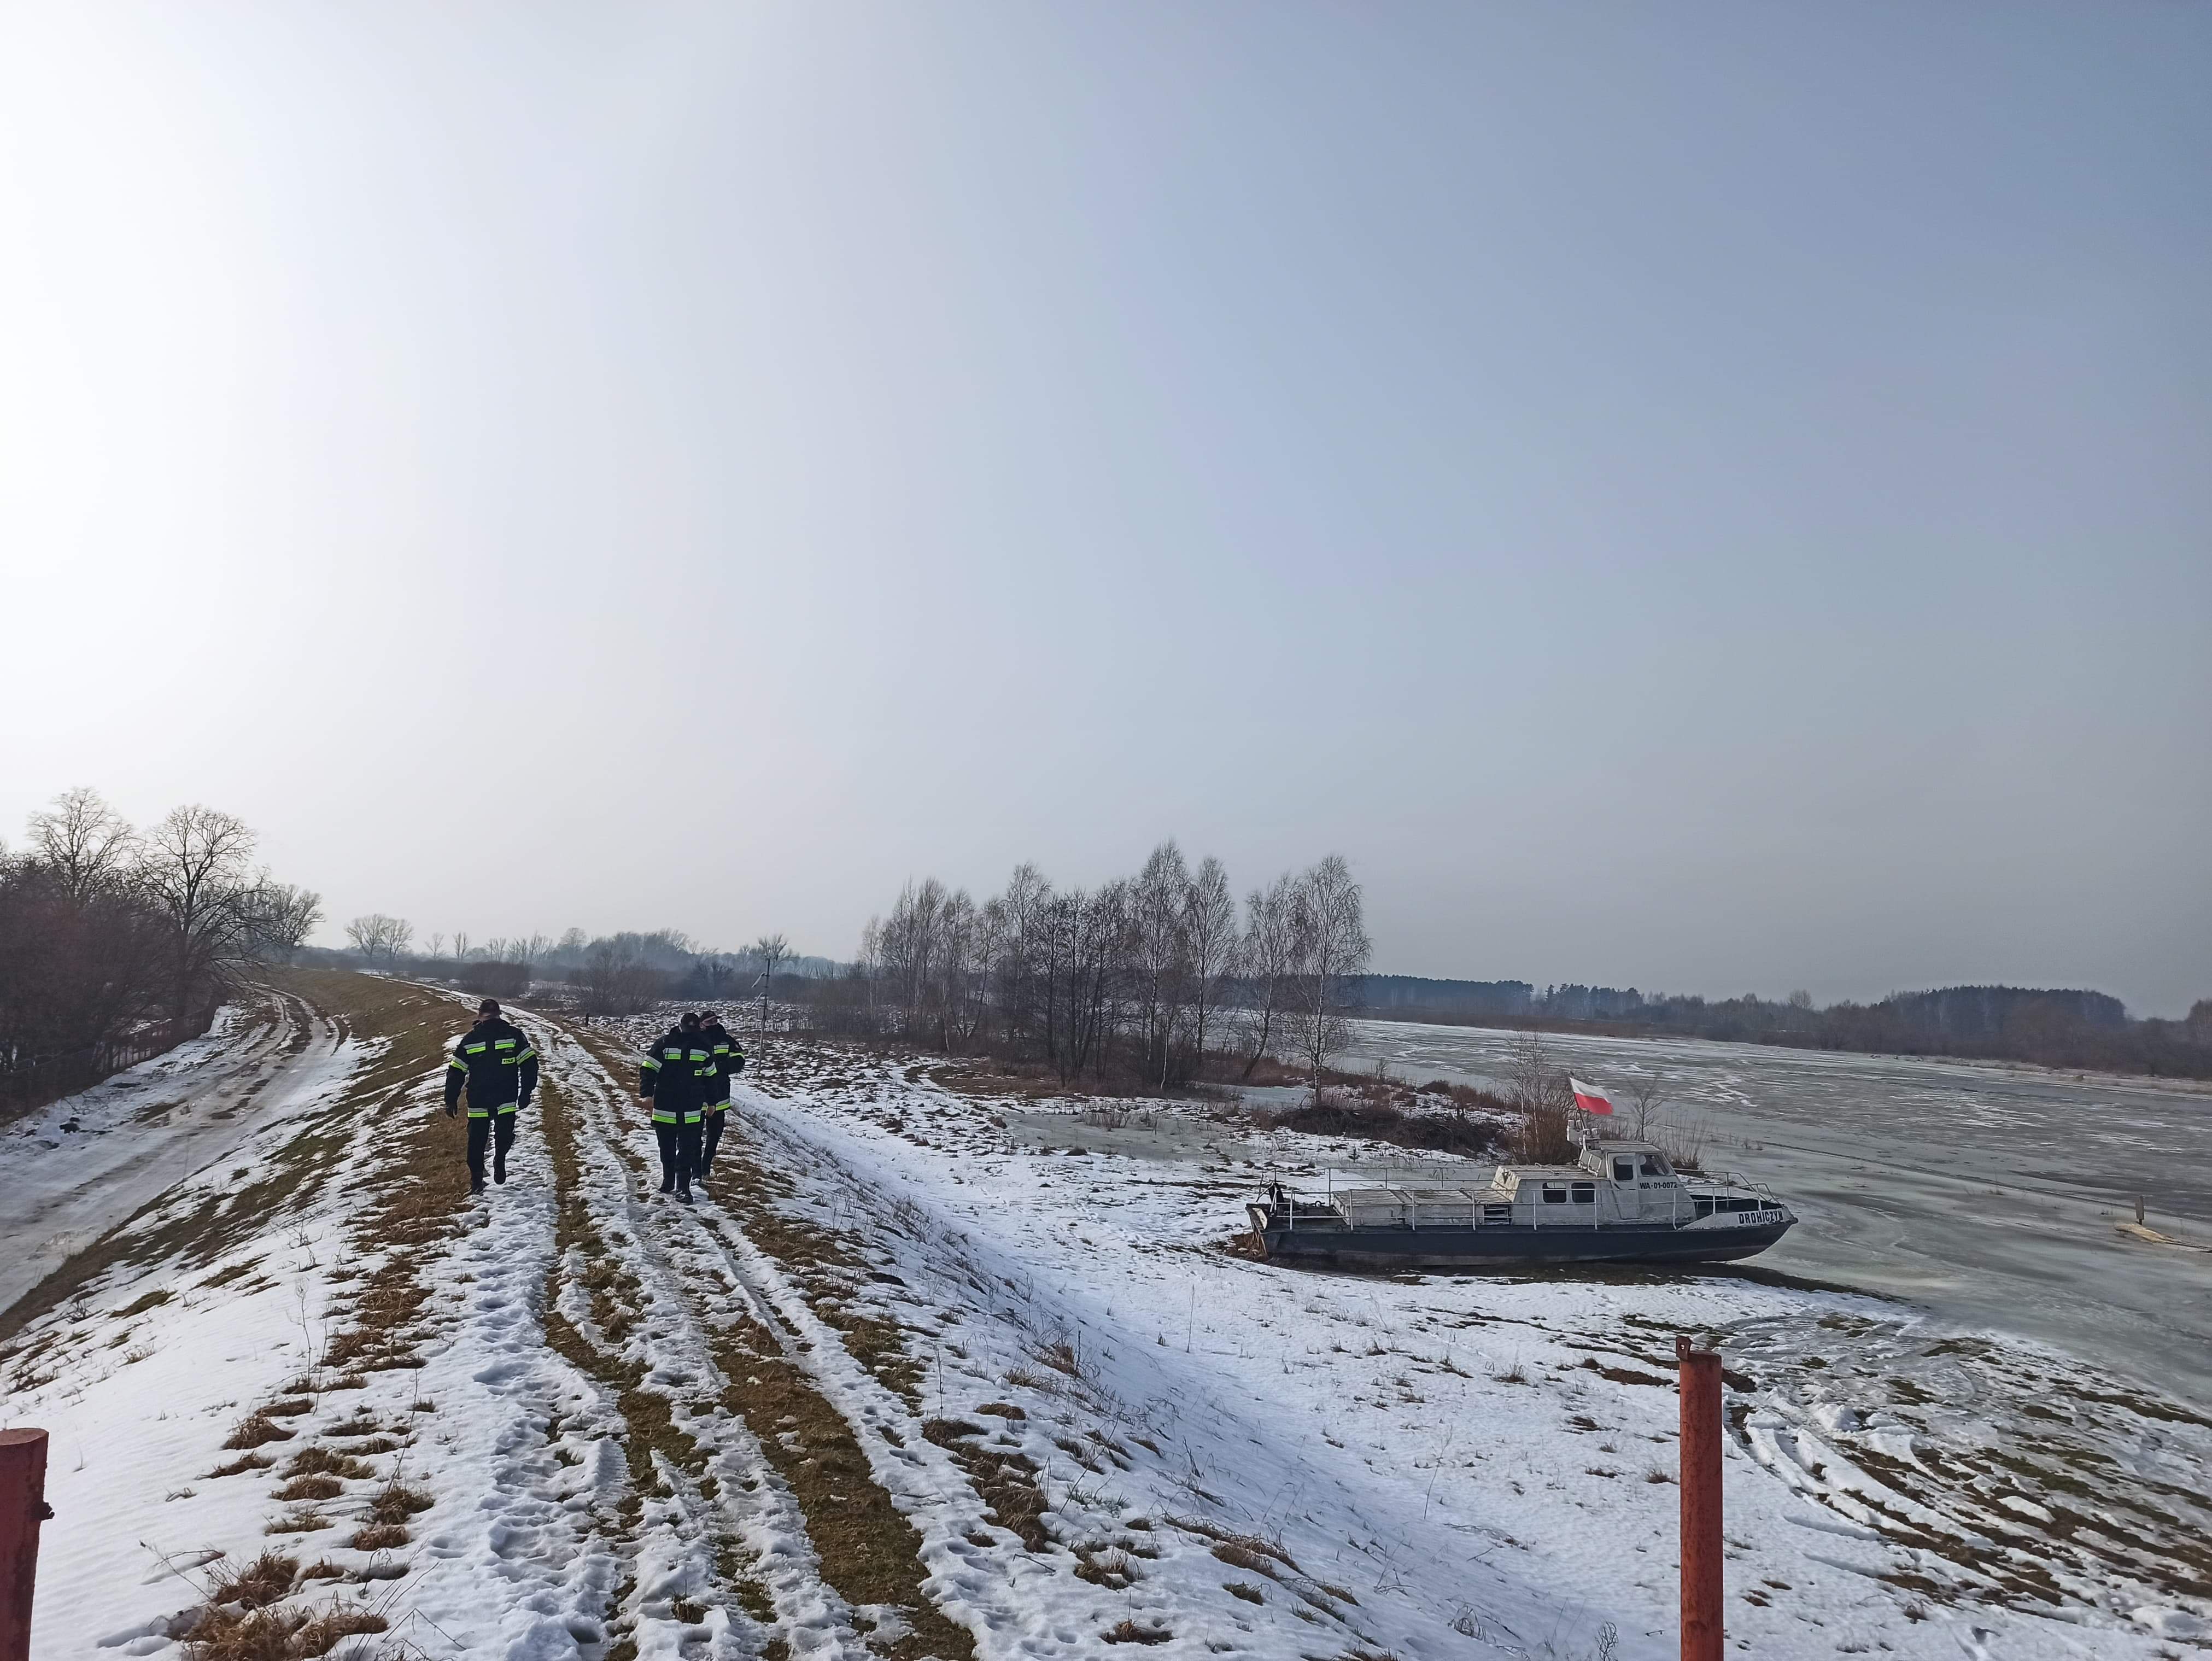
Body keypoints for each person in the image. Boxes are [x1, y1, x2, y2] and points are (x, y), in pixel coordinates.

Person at [443, 998, 539, 1194]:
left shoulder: (512, 1036)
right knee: (481, 1140)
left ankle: (497, 1162)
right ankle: (477, 1180)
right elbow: (457, 1070)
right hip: (484, 1098)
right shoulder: (472, 1039)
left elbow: (529, 1063)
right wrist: (450, 1099)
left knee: (492, 1138)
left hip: (500, 1097)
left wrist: (526, 1091)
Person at [640, 1010, 710, 1202]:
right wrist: (646, 1094)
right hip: (665, 1105)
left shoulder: (704, 1047)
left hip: (692, 1108)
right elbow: (648, 1069)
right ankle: (668, 1179)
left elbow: (711, 1078)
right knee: (666, 1148)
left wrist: (712, 1102)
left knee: (687, 1149)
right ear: (680, 1027)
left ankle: (683, 1188)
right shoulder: (664, 1044)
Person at [697, 1012, 746, 1179]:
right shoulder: (695, 1039)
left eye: (715, 1021)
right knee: (694, 1134)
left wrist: (719, 1067)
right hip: (698, 1094)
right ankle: (694, 1168)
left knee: (715, 1134)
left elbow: (739, 1060)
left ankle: (705, 1167)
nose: (714, 1024)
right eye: (709, 1022)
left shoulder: (726, 1040)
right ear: (701, 1024)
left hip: (720, 1094)